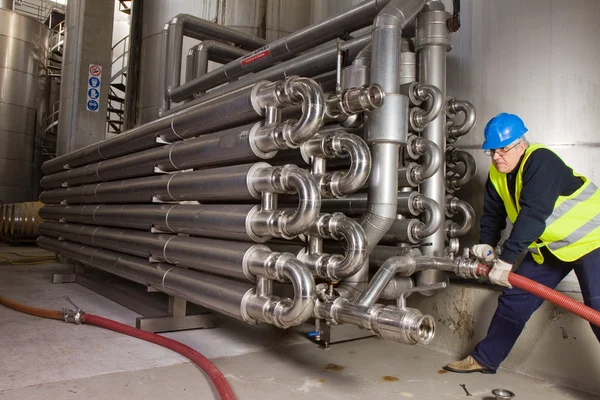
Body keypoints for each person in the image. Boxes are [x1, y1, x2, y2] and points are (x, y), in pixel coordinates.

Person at [444, 112, 600, 374]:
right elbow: (493, 215)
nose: (496, 157)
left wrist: (506, 260)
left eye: (502, 150)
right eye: (491, 151)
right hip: (553, 248)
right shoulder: (497, 173)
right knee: (516, 299)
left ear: (521, 145)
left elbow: (533, 216)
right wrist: (487, 247)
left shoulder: (542, 161)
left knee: (597, 310)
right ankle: (485, 358)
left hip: (593, 241)